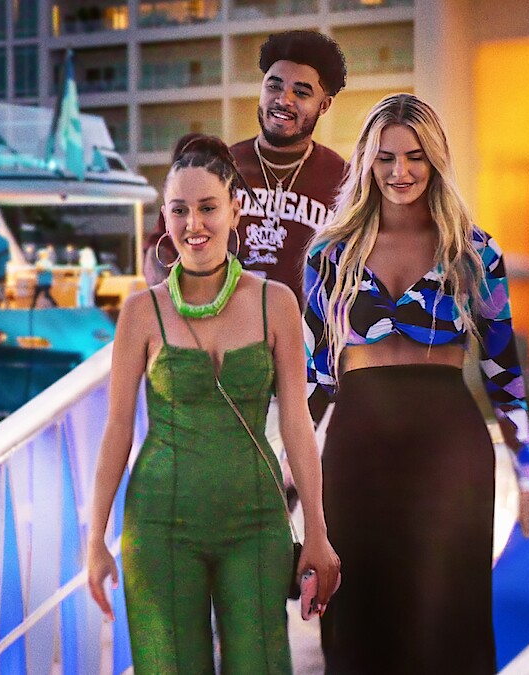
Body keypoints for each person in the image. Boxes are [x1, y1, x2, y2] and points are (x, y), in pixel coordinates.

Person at [304, 93, 529, 673]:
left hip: (449, 454)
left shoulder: (475, 252)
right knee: (358, 628)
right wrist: (285, 482)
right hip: (357, 451)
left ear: (436, 160)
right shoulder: (329, 255)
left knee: (445, 631)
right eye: (386, 157)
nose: (401, 171)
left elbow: (504, 378)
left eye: (415, 156)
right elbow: (315, 383)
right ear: (367, 162)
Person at [87, 136, 339, 674]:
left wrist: (317, 533)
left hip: (257, 522)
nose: (194, 224)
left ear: (235, 211)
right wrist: (95, 540)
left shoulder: (277, 303)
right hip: (159, 525)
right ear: (164, 216)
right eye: (179, 210)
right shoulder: (139, 312)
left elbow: (298, 424)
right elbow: (117, 431)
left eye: (208, 208)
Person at [145, 29, 348, 308]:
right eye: (274, 86)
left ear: (324, 105)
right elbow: (161, 253)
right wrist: (181, 312)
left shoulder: (344, 180)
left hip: (307, 332)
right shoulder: (216, 168)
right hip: (224, 328)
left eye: (301, 92)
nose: (283, 100)